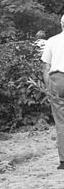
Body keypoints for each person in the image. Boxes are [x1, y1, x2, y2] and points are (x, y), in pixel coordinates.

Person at [42, 17, 64, 169]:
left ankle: (63, 159)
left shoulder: (52, 41)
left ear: (61, 24)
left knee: (60, 121)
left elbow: (45, 66)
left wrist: (48, 86)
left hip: (57, 79)